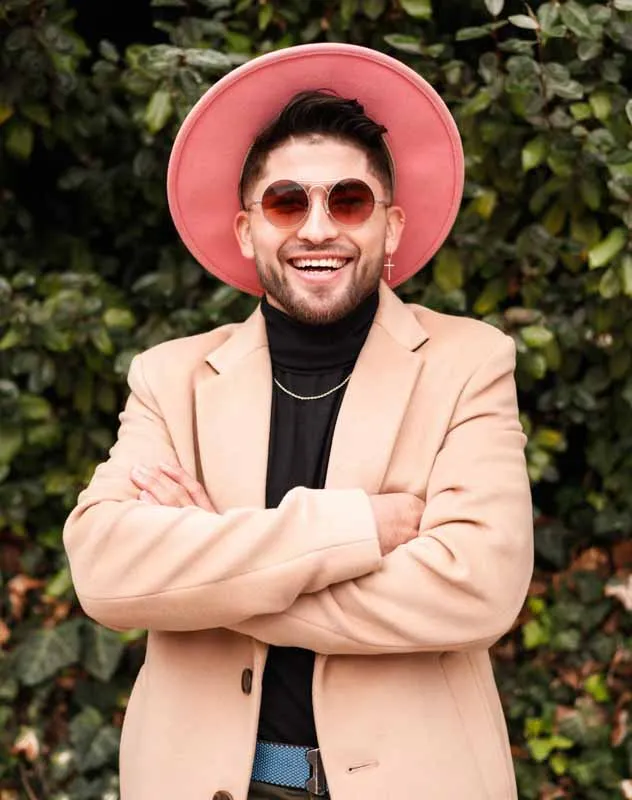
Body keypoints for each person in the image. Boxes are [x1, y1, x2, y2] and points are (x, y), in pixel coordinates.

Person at [63, 43, 534, 800]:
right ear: (249, 230)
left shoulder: (470, 361)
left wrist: (211, 572)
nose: (318, 228)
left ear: (393, 226)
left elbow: (477, 588)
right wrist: (355, 531)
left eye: (348, 201)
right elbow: (106, 572)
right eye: (287, 202)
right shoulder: (169, 375)